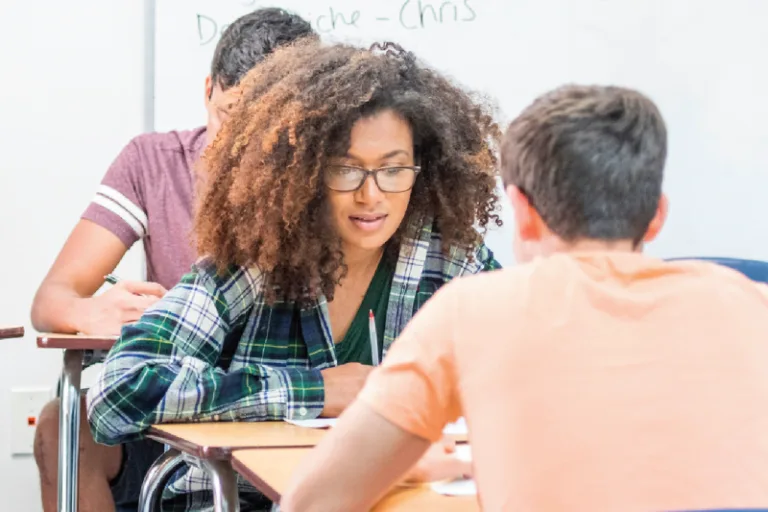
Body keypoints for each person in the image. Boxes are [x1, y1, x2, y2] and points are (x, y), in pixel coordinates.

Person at [280, 84, 768, 512]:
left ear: (523, 212)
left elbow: (312, 502)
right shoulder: (754, 304)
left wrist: (397, 466)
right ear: (656, 217)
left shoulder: (469, 311)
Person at [86, 39, 503, 509]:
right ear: (302, 171)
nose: (372, 196)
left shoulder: (449, 260)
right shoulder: (254, 265)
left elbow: (526, 366)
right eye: (346, 170)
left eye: (393, 169)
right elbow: (120, 389)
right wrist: (319, 389)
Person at [31, 9, 315, 512]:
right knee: (61, 427)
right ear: (208, 90)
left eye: (270, 128)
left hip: (285, 405)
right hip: (169, 406)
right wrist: (87, 311)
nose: (244, 147)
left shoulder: (339, 181)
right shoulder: (154, 163)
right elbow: (52, 298)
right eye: (231, 115)